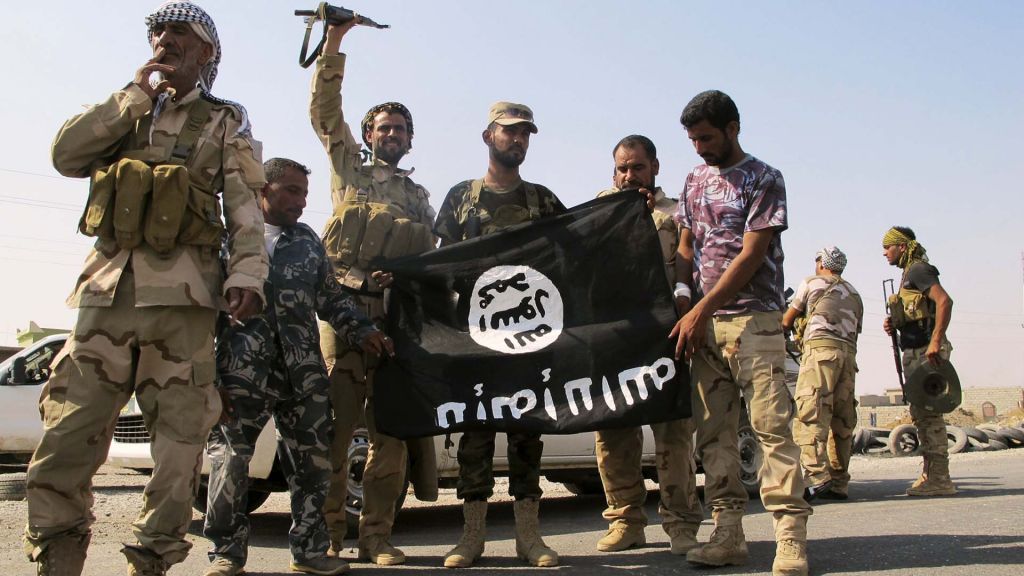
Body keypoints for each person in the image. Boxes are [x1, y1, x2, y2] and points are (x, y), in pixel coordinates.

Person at [24, 3, 269, 575]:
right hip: (104, 299)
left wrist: (246, 275)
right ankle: (56, 561)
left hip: (183, 306)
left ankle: (152, 562)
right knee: (66, 436)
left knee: (178, 450)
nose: (164, 40)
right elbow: (65, 156)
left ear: (206, 51)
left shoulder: (225, 120)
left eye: (179, 32)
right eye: (158, 31)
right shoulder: (125, 109)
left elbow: (245, 209)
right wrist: (134, 96)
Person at [202, 158, 393, 576]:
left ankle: (309, 551)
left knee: (312, 465)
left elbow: (331, 299)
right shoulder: (229, 240)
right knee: (229, 461)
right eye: (291, 190)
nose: (301, 202)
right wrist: (208, 378)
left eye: (304, 193)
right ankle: (225, 554)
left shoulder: (307, 241)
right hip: (240, 373)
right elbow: (203, 315)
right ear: (263, 189)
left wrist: (363, 330)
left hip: (302, 373)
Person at [309, 20, 437, 565]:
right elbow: (325, 112)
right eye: (384, 128)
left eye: (401, 129)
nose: (393, 135)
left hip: (396, 324)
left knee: (390, 439)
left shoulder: (419, 197)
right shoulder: (348, 169)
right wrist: (334, 45)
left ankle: (377, 537)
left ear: (410, 139)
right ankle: (329, 537)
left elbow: (433, 259)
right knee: (336, 436)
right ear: (368, 135)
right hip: (344, 317)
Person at [670, 90, 811, 576]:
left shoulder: (763, 178)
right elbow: (685, 245)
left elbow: (752, 254)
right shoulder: (693, 180)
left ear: (732, 128)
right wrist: (685, 301)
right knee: (714, 437)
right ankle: (727, 534)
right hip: (704, 328)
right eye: (693, 140)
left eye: (707, 137)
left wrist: (700, 309)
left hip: (754, 323)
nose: (700, 147)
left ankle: (790, 538)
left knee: (772, 430)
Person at [433, 102, 566, 569]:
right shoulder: (461, 198)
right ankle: (472, 537)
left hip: (529, 337)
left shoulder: (542, 201)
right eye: (510, 131)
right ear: (488, 136)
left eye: (525, 133)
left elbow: (574, 255)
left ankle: (529, 538)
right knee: (476, 436)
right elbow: (441, 265)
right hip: (475, 339)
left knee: (527, 435)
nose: (518, 140)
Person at [592, 135, 703, 554]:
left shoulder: (676, 214)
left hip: (664, 338)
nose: (629, 175)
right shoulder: (598, 213)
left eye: (637, 167)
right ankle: (625, 521)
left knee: (674, 434)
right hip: (615, 339)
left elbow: (692, 267)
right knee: (614, 432)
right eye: (622, 168)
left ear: (654, 168)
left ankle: (681, 524)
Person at [782, 247, 863, 501]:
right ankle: (839, 482)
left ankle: (816, 477)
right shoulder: (854, 293)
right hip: (848, 358)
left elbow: (787, 320)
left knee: (811, 414)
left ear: (821, 264)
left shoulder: (811, 283)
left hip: (820, 354)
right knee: (842, 421)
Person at [882, 226, 956, 496]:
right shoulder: (908, 274)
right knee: (922, 415)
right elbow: (919, 312)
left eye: (888, 247)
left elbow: (944, 301)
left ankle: (940, 479)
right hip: (916, 350)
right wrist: (896, 323)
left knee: (929, 415)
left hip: (926, 351)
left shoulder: (918, 270)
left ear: (902, 247)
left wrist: (936, 340)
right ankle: (931, 474)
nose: (884, 252)